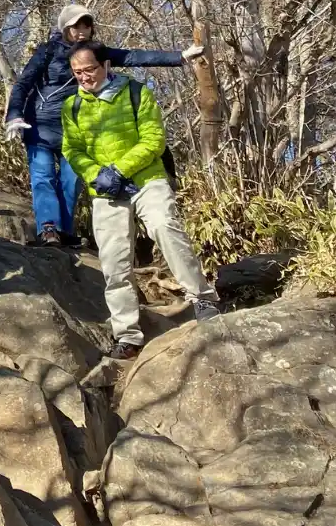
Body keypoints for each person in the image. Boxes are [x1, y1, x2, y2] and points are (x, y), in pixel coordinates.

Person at [61, 43, 219, 361]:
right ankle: (127, 336)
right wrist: (97, 175)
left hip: (147, 179)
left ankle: (203, 299)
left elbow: (153, 139)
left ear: (105, 65)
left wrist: (119, 170)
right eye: (77, 73)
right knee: (114, 261)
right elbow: (72, 150)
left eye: (88, 70)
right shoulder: (72, 107)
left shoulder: (136, 93)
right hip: (105, 190)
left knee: (166, 228)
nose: (83, 78)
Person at [6, 5, 204, 247]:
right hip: (40, 126)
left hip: (76, 127)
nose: (81, 31)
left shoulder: (95, 53)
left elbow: (133, 56)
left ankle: (64, 232)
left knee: (72, 180)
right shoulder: (48, 52)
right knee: (43, 177)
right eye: (75, 26)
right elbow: (24, 83)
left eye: (86, 25)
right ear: (65, 28)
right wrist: (14, 115)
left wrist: (180, 56)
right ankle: (48, 229)